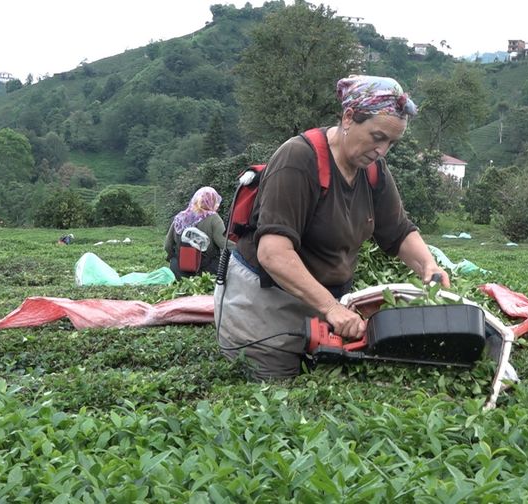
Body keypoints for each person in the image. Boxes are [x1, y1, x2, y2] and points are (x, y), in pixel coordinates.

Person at [214, 75, 450, 379]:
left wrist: (430, 268)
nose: (382, 150)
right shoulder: (298, 159)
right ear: (349, 117)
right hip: (267, 309)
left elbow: (399, 230)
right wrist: (331, 308)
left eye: (391, 142)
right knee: (279, 397)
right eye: (377, 137)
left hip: (324, 308)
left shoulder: (372, 169)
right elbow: (273, 253)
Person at [164, 186, 233, 280]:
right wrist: (242, 250)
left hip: (178, 271)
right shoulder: (214, 218)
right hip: (205, 273)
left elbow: (167, 246)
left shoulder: (180, 217)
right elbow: (223, 243)